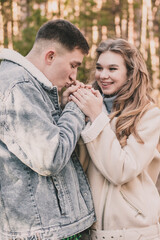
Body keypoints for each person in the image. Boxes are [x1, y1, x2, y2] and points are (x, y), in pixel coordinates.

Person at [0, 19, 96, 240]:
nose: (74, 76)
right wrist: (75, 108)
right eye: (73, 65)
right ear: (50, 56)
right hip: (45, 233)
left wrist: (63, 106)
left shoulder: (31, 86)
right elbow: (50, 157)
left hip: (53, 229)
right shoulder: (18, 87)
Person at [70, 38, 160, 240]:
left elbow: (122, 171)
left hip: (135, 231)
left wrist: (97, 117)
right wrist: (69, 109)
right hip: (90, 230)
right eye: (99, 68)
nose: (103, 76)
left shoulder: (149, 115)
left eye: (112, 69)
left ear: (130, 73)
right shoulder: (88, 108)